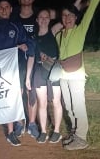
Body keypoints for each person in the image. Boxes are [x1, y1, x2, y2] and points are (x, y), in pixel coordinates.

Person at [58, 0, 100, 150]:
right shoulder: (58, 35)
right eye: (64, 15)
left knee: (78, 106)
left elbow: (90, 11)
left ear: (75, 17)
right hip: (63, 77)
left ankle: (82, 138)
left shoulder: (80, 29)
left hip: (77, 76)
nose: (68, 18)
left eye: (71, 15)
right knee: (68, 106)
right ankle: (75, 133)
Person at [0, 0, 35, 146]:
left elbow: (29, 43)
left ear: (11, 10)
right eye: (1, 7)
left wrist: (25, 46)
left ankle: (10, 132)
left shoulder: (17, 26)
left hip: (12, 70)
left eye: (7, 7)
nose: (4, 10)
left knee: (9, 100)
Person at [28, 9, 63, 144]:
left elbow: (68, 17)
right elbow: (31, 57)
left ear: (50, 19)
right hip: (39, 71)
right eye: (40, 17)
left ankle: (57, 131)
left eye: (46, 17)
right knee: (42, 103)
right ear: (36, 20)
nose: (43, 19)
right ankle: (43, 131)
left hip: (53, 70)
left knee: (56, 102)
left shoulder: (53, 31)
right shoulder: (33, 38)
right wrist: (27, 78)